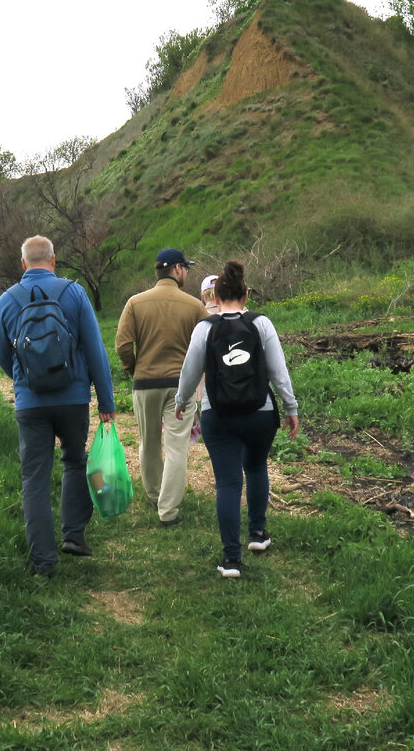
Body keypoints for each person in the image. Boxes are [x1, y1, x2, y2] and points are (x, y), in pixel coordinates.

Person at [0, 235, 116, 579]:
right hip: (73, 397)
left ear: (23, 264)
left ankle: (43, 562)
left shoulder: (7, 300)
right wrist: (106, 400)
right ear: (53, 260)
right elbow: (95, 349)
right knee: (76, 461)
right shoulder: (74, 292)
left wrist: (22, 381)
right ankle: (73, 536)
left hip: (31, 403)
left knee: (34, 479)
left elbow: (3, 354)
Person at [173, 260, 299, 579]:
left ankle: (231, 560)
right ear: (245, 296)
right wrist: (291, 408)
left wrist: (182, 401)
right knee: (256, 467)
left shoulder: (205, 328)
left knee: (228, 482)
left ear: (215, 295)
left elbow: (189, 373)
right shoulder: (262, 324)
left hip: (219, 415)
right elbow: (278, 372)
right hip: (261, 414)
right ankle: (258, 535)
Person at [114, 248, 208, 526]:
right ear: (177, 269)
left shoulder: (135, 302)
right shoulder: (194, 306)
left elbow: (122, 345)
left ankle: (154, 495)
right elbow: (207, 344)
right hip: (180, 387)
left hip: (145, 384)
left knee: (149, 443)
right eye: (186, 268)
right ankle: (168, 512)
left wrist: (133, 368)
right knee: (177, 447)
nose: (187, 273)